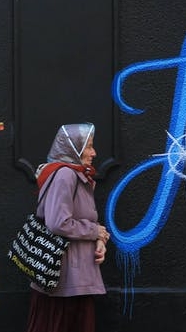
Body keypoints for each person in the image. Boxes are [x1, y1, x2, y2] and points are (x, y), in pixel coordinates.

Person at [26, 123, 110, 332]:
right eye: (88, 147)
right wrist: (94, 232)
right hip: (64, 281)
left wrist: (100, 238)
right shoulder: (66, 175)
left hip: (74, 278)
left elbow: (82, 218)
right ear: (73, 148)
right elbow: (58, 223)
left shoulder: (78, 175)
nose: (94, 153)